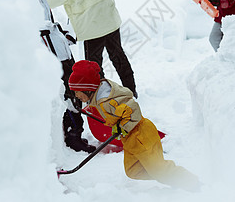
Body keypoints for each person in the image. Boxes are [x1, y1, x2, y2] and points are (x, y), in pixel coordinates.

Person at [68, 60, 201, 192]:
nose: (76, 95)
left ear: (88, 88)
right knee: (133, 171)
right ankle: (169, 177)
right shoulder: (100, 93)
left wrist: (122, 126)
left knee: (159, 170)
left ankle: (192, 183)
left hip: (141, 135)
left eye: (77, 91)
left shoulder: (107, 100)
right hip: (131, 138)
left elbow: (132, 109)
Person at [45, 0, 137, 98]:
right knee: (118, 56)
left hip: (91, 29)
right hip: (110, 20)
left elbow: (47, 1)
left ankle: (100, 98)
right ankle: (131, 90)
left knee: (93, 66)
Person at [28, 0, 96, 153]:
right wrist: (52, 56)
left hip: (61, 51)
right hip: (54, 56)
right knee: (69, 93)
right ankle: (72, 135)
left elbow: (50, 24)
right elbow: (40, 30)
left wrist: (63, 35)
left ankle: (76, 132)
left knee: (75, 89)